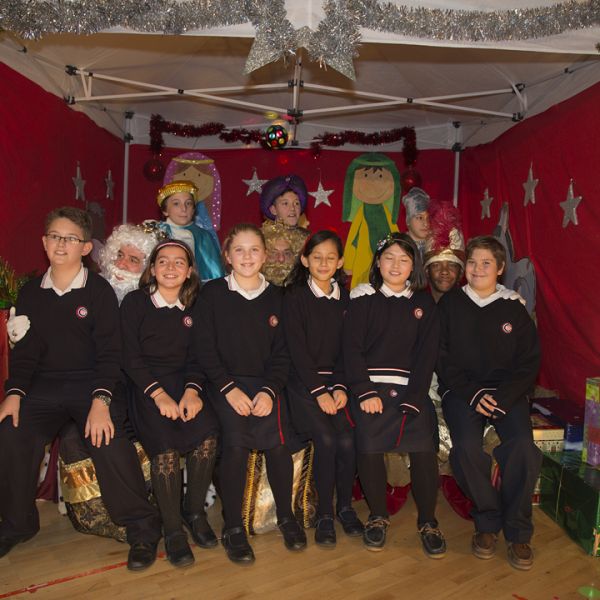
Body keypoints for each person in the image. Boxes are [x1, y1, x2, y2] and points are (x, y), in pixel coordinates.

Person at [0, 207, 161, 570]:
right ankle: (17, 523)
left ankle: (142, 527)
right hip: (44, 386)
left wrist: (101, 400)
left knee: (107, 437)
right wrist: (14, 393)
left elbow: (109, 354)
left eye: (70, 239)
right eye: (55, 237)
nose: (61, 244)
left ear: (86, 248)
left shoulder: (99, 291)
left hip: (92, 383)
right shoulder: (31, 293)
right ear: (44, 242)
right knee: (11, 431)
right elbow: (24, 354)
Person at [194, 223, 306, 564]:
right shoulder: (212, 294)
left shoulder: (278, 298)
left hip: (266, 384)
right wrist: (228, 389)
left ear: (265, 255)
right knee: (236, 444)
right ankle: (233, 527)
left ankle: (286, 516)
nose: (247, 256)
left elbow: (284, 353)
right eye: (239, 250)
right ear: (227, 256)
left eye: (254, 249)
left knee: (278, 443)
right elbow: (204, 349)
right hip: (224, 385)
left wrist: (270, 391)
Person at [437, 235, 541, 571]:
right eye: (472, 262)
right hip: (463, 391)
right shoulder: (450, 304)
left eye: (486, 263)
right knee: (465, 450)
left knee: (523, 447)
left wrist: (505, 397)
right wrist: (473, 394)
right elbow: (441, 358)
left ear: (500, 268)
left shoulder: (513, 307)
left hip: (507, 392)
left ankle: (518, 529)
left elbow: (529, 362)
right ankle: (487, 519)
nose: (477, 269)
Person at [344, 232, 446, 558]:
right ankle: (378, 515)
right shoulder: (363, 299)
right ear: (378, 262)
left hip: (410, 390)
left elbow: (427, 355)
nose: (396, 265)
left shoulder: (424, 304)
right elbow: (351, 350)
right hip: (369, 389)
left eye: (404, 259)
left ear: (413, 266)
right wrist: (364, 392)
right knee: (369, 444)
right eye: (389, 258)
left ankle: (428, 521)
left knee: (424, 447)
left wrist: (415, 396)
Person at [121, 239, 219, 568]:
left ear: (189, 271)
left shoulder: (197, 306)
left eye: (179, 262)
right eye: (163, 261)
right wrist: (159, 394)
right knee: (164, 449)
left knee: (207, 436)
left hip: (185, 383)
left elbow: (200, 356)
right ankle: (173, 528)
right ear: (152, 269)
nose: (171, 267)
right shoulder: (135, 302)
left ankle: (194, 512)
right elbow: (130, 357)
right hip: (146, 387)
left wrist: (192, 391)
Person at [283, 230, 363, 547]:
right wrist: (320, 391)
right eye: (317, 257)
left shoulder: (346, 299)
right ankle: (325, 514)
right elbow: (297, 351)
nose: (324, 263)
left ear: (340, 262)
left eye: (331, 257)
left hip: (335, 383)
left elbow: (348, 349)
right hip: (303, 383)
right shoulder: (294, 297)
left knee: (348, 439)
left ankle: (345, 507)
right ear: (305, 260)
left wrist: (340, 386)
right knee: (327, 439)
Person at [341, 153, 401, 288]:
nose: (373, 183)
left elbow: (395, 236)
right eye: (366, 176)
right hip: (364, 256)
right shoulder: (361, 212)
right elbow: (353, 237)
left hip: (386, 258)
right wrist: (349, 264)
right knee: (362, 286)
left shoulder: (387, 213)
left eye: (380, 177)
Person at [155, 180, 224, 281]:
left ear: (194, 209)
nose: (184, 208)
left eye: (188, 203)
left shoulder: (203, 236)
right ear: (165, 210)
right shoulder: (155, 231)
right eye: (176, 204)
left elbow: (214, 273)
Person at [260, 175, 310, 285]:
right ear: (273, 209)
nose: (292, 208)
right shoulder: (260, 239)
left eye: (296, 203)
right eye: (285, 203)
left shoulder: (308, 240)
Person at [423, 199, 465, 303]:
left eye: (452, 265)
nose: (444, 271)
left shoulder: (471, 309)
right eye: (436, 265)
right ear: (427, 271)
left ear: (461, 272)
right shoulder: (414, 307)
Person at [402, 187, 431, 258]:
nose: (426, 224)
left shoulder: (435, 247)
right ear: (408, 221)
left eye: (428, 218)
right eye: (420, 218)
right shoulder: (400, 247)